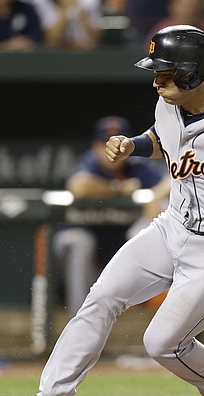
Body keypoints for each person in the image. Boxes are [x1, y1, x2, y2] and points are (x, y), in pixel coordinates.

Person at [1, 25, 204, 396]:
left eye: (165, 71)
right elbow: (163, 138)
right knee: (101, 296)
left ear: (192, 72)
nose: (156, 80)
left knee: (161, 344)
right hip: (171, 226)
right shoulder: (168, 104)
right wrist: (133, 144)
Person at [53, 116, 169, 318]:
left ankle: (144, 312)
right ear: (96, 146)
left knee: (146, 230)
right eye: (105, 143)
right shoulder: (91, 163)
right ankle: (79, 321)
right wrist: (118, 188)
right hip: (77, 240)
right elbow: (78, 185)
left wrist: (153, 195)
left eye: (118, 142)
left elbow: (172, 180)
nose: (113, 149)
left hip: (111, 243)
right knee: (81, 243)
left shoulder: (135, 165)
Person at [30, 0, 103, 50]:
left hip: (86, 55)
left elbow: (95, 38)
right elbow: (51, 38)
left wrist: (82, 15)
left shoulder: (90, 2)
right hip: (54, 57)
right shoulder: (41, 3)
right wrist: (65, 9)